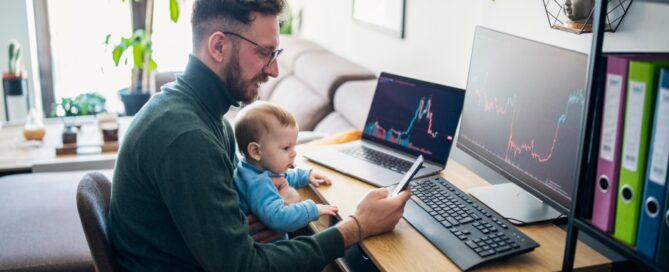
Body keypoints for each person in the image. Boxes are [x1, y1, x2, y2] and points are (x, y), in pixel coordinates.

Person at [108, 0, 411, 271]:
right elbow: (243, 266)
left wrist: (254, 218)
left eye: (275, 53)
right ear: (218, 47)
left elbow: (231, 223)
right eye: (264, 53)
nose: (275, 69)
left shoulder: (207, 116)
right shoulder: (187, 137)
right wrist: (356, 227)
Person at [233, 101, 338, 241]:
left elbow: (280, 178)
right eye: (286, 148)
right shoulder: (259, 183)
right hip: (270, 252)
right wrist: (312, 209)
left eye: (294, 146)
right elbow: (279, 218)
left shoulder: (251, 168)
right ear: (256, 151)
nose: (293, 153)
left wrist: (303, 176)